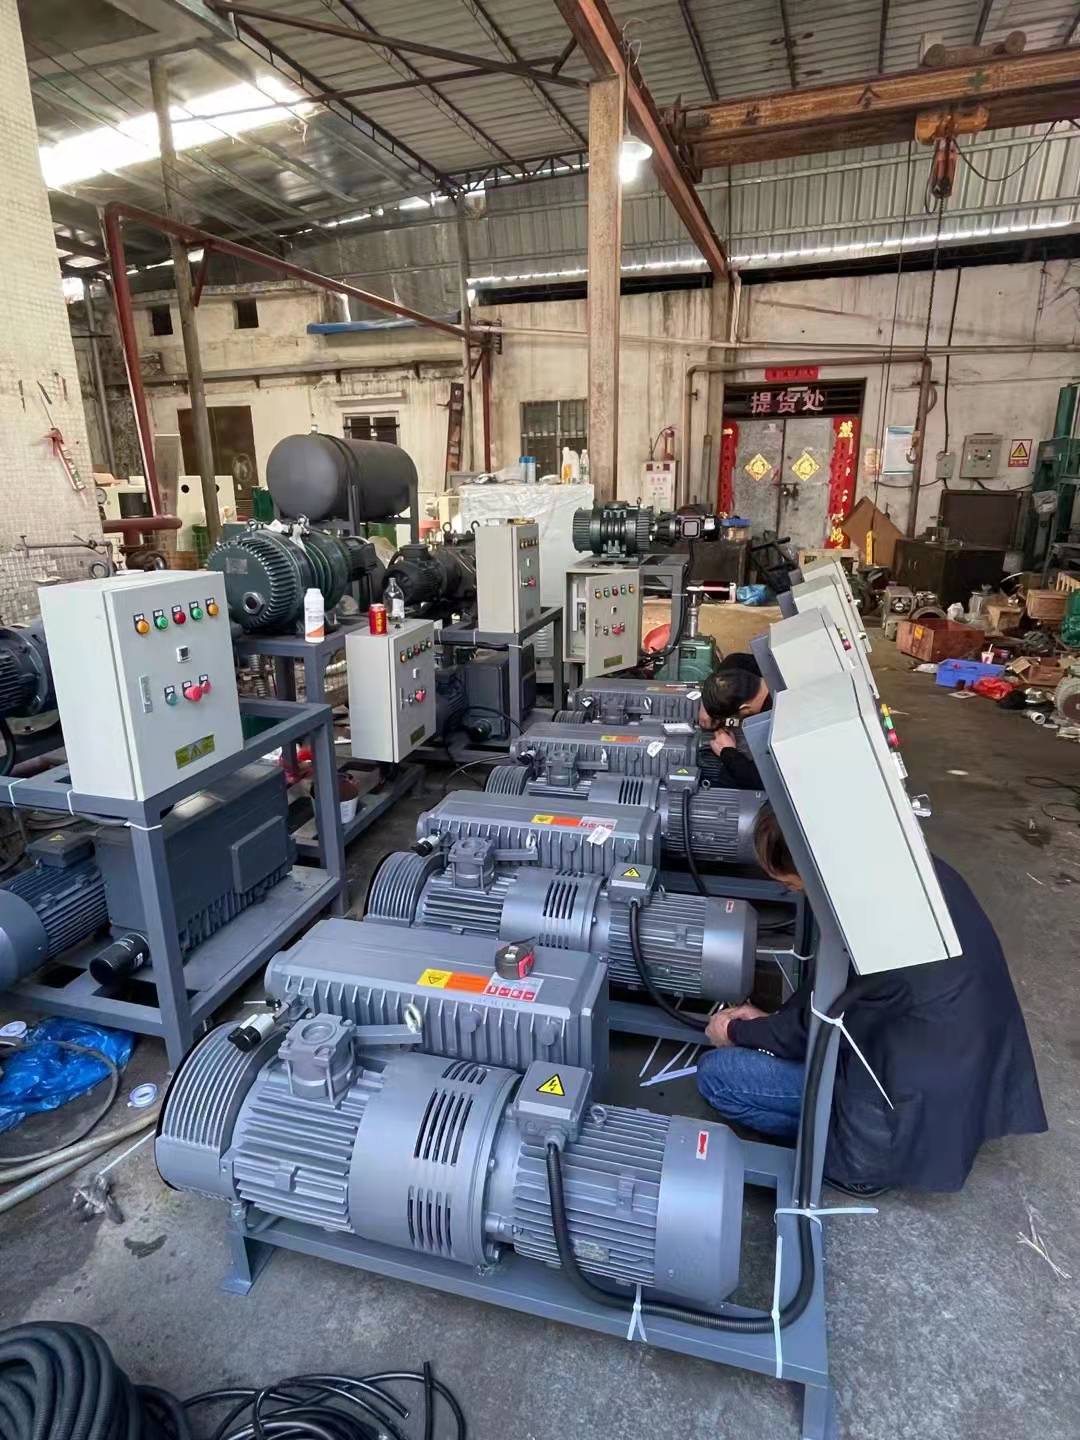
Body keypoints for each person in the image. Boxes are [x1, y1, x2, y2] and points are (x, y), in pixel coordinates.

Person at [696, 808, 1047, 1193]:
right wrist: (770, 1020)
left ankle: (850, 1153)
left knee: (718, 1076)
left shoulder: (874, 931)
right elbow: (830, 989)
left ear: (812, 867)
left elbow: (815, 1028)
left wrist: (736, 1030)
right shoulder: (904, 870)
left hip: (900, 1104)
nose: (793, 892)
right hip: (956, 1068)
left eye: (790, 884)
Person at [697, 654, 772, 789]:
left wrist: (728, 752)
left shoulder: (775, 725)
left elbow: (762, 780)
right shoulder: (773, 671)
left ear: (744, 708)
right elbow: (734, 660)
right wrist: (709, 699)